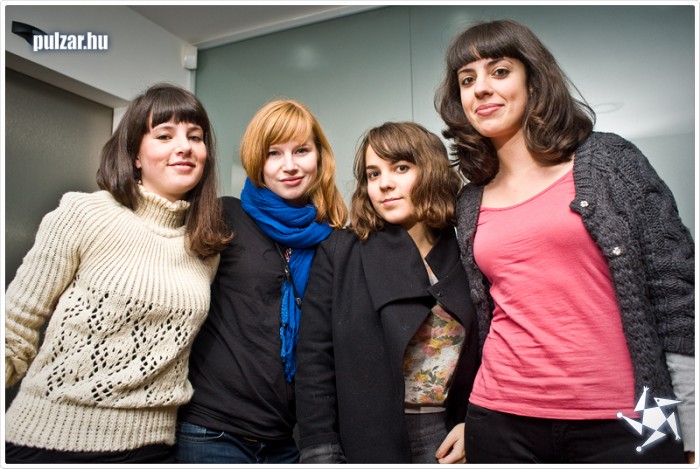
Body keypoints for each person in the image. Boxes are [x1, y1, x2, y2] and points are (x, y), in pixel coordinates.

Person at [434, 19, 695, 464]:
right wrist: (467, 419)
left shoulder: (609, 160)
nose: (481, 88)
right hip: (498, 416)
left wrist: (690, 428)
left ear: (534, 81)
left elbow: (675, 293)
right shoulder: (469, 199)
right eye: (467, 80)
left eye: (500, 71)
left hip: (631, 418)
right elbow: (487, 314)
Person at [4, 83, 231, 463]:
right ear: (135, 155)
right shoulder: (84, 214)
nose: (184, 147)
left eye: (195, 137)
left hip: (152, 448)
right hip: (49, 440)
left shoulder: (204, 245)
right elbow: (13, 329)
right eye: (164, 135)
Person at [295, 121, 480, 464]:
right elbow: (314, 361)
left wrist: (477, 425)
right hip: (365, 439)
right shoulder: (341, 251)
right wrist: (321, 451)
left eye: (401, 168)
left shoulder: (469, 247)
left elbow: (497, 348)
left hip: (451, 438)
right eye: (373, 174)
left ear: (431, 171)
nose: (384, 184)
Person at [174, 99, 347, 464]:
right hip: (212, 431)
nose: (289, 166)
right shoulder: (223, 216)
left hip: (287, 439)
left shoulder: (332, 239)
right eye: (273, 153)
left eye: (301, 151)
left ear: (319, 156)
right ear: (257, 161)